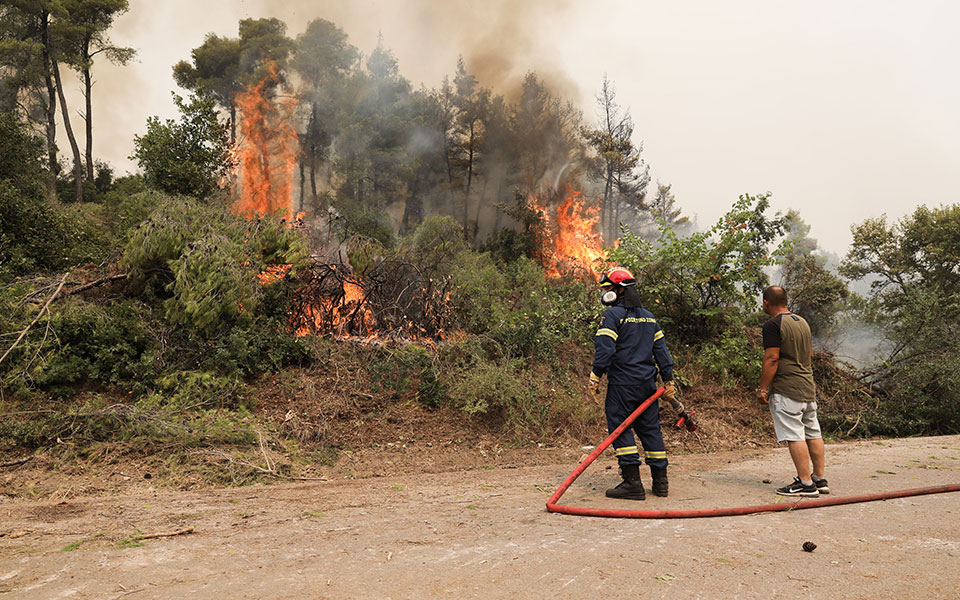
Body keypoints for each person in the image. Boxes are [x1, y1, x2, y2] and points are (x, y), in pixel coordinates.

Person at [589, 267, 677, 500]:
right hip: (647, 386)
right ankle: (661, 483)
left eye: (608, 288)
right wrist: (668, 379)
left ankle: (632, 484)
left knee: (620, 428)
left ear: (620, 290)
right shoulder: (649, 316)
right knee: (650, 430)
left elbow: (605, 349)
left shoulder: (612, 316)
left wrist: (596, 375)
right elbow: (662, 352)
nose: (606, 293)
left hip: (622, 386)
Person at [757, 285, 829, 497]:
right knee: (813, 432)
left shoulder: (772, 325)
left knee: (795, 435)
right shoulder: (802, 322)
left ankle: (805, 484)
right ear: (786, 301)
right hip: (808, 386)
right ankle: (819, 479)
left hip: (787, 389)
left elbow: (772, 358)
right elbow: (811, 355)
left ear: (766, 303)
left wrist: (762, 389)